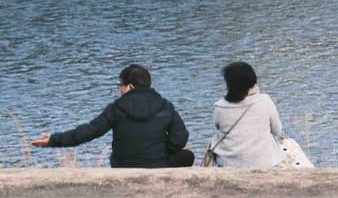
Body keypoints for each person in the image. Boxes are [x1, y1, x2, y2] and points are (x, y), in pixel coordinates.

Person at [30, 64, 192, 168]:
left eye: (120, 86)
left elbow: (90, 131)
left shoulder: (116, 108)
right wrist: (163, 151)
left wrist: (54, 140)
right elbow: (180, 138)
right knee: (187, 155)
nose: (119, 90)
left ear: (129, 87)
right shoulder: (165, 105)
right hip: (157, 163)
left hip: (122, 164)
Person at [206, 62, 285, 169]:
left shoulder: (219, 107)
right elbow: (276, 130)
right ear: (252, 81)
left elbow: (218, 128)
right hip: (265, 162)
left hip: (228, 163)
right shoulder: (264, 100)